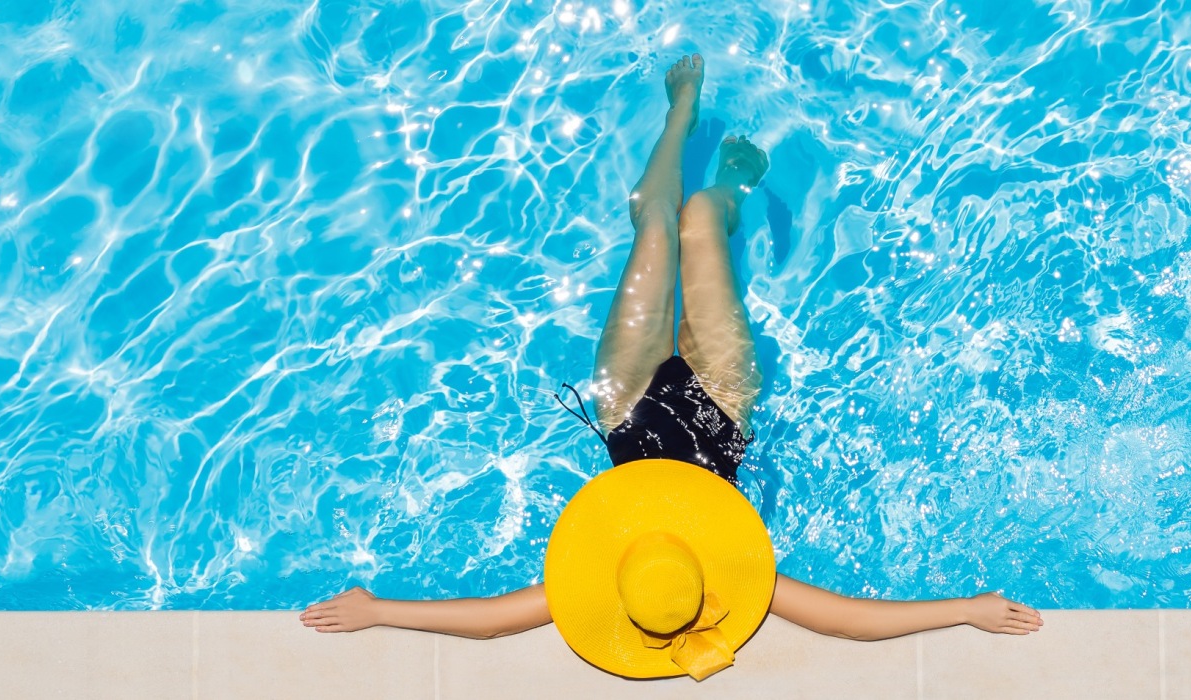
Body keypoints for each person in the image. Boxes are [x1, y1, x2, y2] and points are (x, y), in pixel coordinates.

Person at [299, 54, 1043, 680]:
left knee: (654, 224)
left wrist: (377, 611)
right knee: (697, 223)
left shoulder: (628, 569)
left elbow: (495, 623)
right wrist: (966, 610)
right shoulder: (718, 577)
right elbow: (846, 622)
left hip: (625, 408)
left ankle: (679, 114)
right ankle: (731, 188)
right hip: (722, 408)